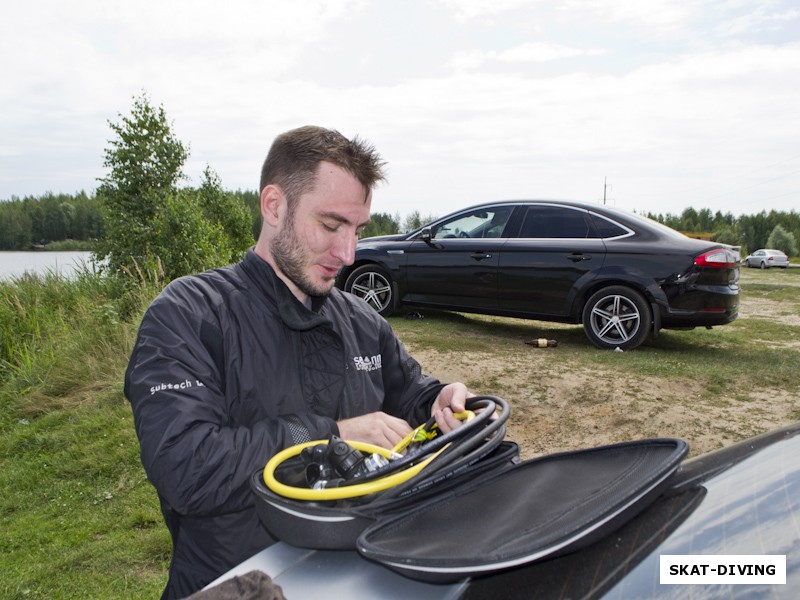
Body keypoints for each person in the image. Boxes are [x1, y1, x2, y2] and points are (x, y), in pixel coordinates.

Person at [124, 125, 473, 599]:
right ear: (274, 206)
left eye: (356, 230)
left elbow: (411, 394)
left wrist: (441, 401)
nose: (347, 254)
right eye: (330, 226)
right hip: (236, 584)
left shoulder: (362, 321)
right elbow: (186, 467)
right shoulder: (188, 314)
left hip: (367, 573)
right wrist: (334, 434)